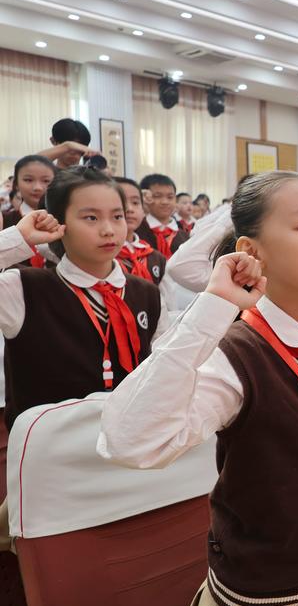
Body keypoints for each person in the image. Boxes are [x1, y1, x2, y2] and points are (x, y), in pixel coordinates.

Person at [97, 171, 298, 606]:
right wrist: (214, 305)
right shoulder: (234, 354)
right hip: (268, 602)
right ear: (252, 251)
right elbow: (130, 442)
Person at [0, 167, 165, 430]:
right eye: (91, 218)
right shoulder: (23, 288)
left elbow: (163, 371)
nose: (108, 230)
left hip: (128, 442)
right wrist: (19, 238)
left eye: (117, 216)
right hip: (48, 445)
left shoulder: (147, 294)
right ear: (57, 222)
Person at [115, 177, 177, 309]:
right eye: (121, 201)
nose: (129, 209)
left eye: (135, 202)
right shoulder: (101, 255)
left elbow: (168, 304)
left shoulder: (154, 257)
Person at [2, 155, 58, 269]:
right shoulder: (4, 220)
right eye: (28, 180)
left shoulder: (64, 220)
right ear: (16, 184)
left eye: (46, 181)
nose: (37, 187)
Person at [137, 174, 189, 258]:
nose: (165, 202)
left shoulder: (184, 235)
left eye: (170, 197)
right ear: (145, 197)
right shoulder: (137, 230)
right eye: (157, 196)